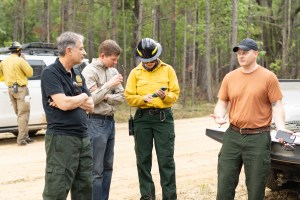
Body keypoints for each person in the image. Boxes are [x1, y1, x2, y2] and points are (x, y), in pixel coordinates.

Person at [211, 38, 293, 200]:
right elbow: (222, 103)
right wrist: (219, 115)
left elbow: (276, 106)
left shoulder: (268, 77)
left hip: (258, 138)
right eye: (239, 53)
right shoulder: (230, 77)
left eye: (245, 52)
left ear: (255, 54)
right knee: (224, 185)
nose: (241, 56)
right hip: (232, 136)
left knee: (255, 189)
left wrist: (281, 128)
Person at [41, 31, 94, 200]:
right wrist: (81, 98)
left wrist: (75, 100)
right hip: (62, 140)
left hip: (83, 137)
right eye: (81, 48)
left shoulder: (78, 74)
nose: (84, 52)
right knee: (57, 189)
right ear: (69, 50)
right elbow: (63, 104)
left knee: (84, 187)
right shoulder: (51, 73)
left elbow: (91, 105)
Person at [125, 38, 180, 200]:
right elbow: (129, 97)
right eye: (145, 61)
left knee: (166, 161)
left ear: (157, 56)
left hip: (163, 119)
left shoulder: (168, 70)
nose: (148, 63)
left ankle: (169, 197)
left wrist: (166, 96)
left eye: (150, 60)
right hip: (142, 119)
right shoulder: (135, 73)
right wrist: (142, 99)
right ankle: (147, 197)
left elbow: (175, 94)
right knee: (143, 161)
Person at [82, 39, 125, 200]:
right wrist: (108, 86)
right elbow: (91, 99)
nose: (115, 62)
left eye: (117, 59)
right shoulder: (89, 72)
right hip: (95, 122)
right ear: (102, 55)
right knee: (96, 170)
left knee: (108, 167)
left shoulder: (113, 72)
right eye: (113, 59)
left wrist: (104, 96)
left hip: (110, 122)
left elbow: (122, 97)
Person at [0, 41, 33, 146]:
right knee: (23, 114)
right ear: (19, 51)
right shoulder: (20, 60)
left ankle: (25, 136)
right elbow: (30, 73)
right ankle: (21, 139)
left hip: (10, 89)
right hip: (21, 89)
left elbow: (1, 76)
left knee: (19, 114)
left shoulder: (3, 62)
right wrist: (24, 60)